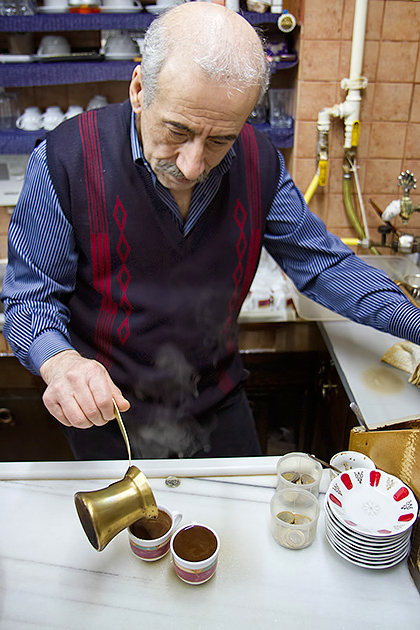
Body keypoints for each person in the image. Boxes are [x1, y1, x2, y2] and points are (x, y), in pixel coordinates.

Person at [2, 2, 420, 460]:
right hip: (106, 411)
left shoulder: (259, 163)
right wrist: (60, 363)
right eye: (177, 130)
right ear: (140, 88)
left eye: (220, 139)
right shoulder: (66, 160)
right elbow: (29, 299)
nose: (192, 165)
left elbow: (322, 266)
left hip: (218, 402)